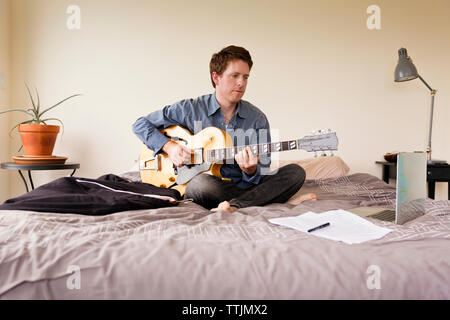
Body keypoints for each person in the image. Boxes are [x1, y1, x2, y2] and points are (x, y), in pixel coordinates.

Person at [133, 45, 316, 212]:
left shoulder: (257, 118)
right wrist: (169, 147)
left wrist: (250, 171)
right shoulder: (190, 109)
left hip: (242, 187)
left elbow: (261, 173)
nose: (241, 83)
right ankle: (274, 200)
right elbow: (140, 124)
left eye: (245, 77)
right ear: (216, 77)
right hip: (211, 186)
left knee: (295, 172)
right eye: (234, 76)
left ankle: (236, 205)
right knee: (199, 185)